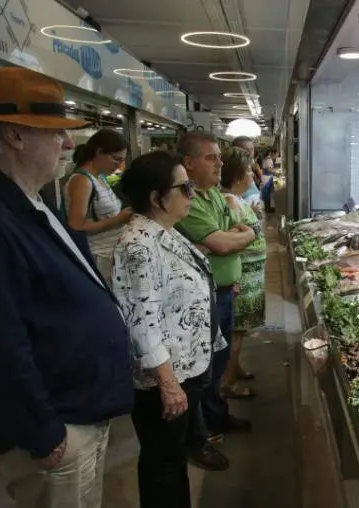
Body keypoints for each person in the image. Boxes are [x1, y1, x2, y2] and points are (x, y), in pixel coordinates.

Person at [0, 67, 132, 508]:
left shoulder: (30, 197)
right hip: (56, 429)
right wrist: (44, 432)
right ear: (15, 135)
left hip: (81, 409)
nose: (69, 144)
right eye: (56, 134)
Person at [113, 151, 228, 507]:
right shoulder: (138, 245)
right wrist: (167, 384)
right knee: (163, 466)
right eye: (184, 187)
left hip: (186, 370)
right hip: (165, 381)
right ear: (155, 198)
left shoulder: (164, 232)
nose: (192, 194)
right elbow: (141, 321)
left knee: (173, 460)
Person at [175, 132, 254, 463]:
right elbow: (224, 243)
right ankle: (198, 437)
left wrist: (234, 237)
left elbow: (245, 228)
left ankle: (217, 416)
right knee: (199, 370)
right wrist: (227, 239)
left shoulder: (214, 197)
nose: (220, 163)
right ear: (189, 164)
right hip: (197, 299)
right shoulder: (189, 201)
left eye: (220, 157)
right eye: (212, 158)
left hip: (222, 291)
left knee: (218, 362)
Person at [219, 148, 268, 399]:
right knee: (236, 331)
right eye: (249, 170)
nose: (252, 174)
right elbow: (233, 238)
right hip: (242, 276)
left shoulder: (236, 199)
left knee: (240, 330)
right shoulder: (229, 201)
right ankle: (227, 382)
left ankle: (234, 369)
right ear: (238, 176)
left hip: (249, 274)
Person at [66, 129, 133, 281]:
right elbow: (76, 226)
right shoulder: (82, 181)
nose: (119, 165)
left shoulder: (100, 178)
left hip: (111, 254)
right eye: (116, 159)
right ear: (99, 152)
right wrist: (118, 219)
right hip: (98, 256)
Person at [231, 136, 263, 214]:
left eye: (252, 149)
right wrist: (249, 211)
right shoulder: (233, 173)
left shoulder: (250, 167)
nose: (250, 153)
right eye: (245, 150)